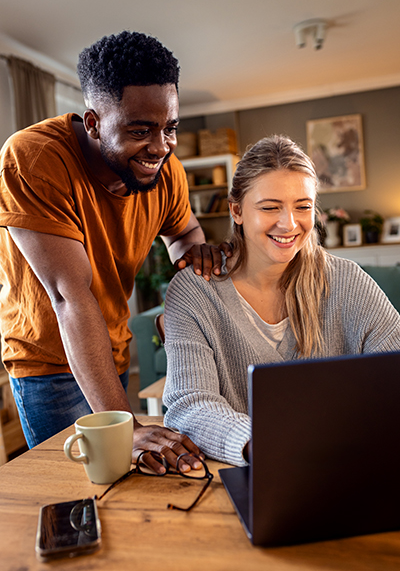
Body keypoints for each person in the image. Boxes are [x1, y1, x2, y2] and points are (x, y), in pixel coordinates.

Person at [0, 30, 230, 472]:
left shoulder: (165, 169)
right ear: (93, 123)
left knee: (127, 490)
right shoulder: (33, 159)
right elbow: (70, 296)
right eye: (141, 130)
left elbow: (185, 233)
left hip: (111, 350)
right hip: (49, 366)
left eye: (171, 128)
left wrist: (186, 294)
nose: (161, 147)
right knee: (76, 498)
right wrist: (123, 422)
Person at [162, 134, 400, 467]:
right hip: (253, 470)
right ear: (237, 210)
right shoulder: (194, 293)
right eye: (270, 207)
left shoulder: (347, 281)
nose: (289, 224)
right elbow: (190, 405)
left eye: (303, 206)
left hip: (348, 464)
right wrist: (264, 445)